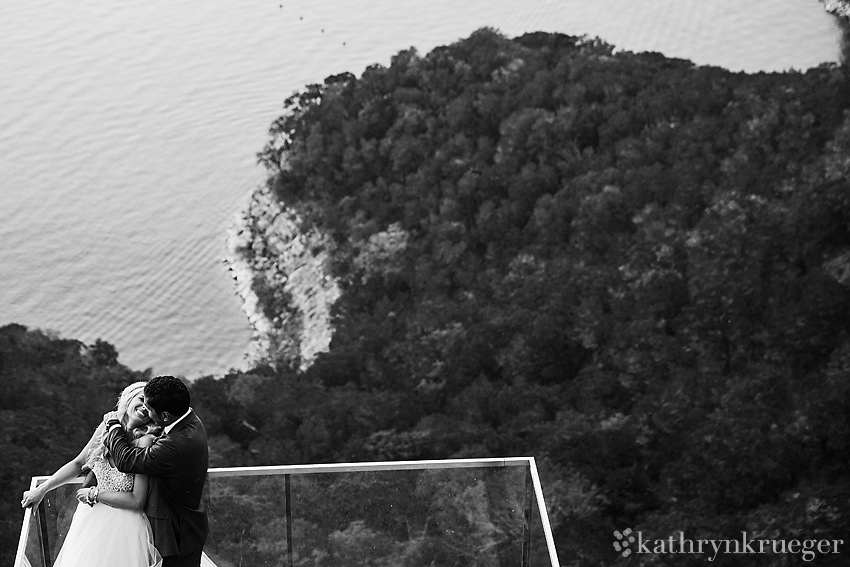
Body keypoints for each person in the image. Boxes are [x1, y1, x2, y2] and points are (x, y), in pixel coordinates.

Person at [21, 381, 163, 567]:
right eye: (141, 399)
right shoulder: (107, 428)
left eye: (150, 405)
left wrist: (93, 493)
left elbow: (137, 501)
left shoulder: (145, 442)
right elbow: (79, 463)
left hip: (123, 528)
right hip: (89, 519)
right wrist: (43, 489)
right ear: (129, 398)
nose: (145, 407)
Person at [103, 375, 210, 567]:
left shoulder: (175, 444)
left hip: (175, 536)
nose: (146, 411)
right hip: (187, 526)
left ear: (166, 416)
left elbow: (126, 460)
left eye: (150, 409)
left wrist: (114, 426)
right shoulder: (190, 419)